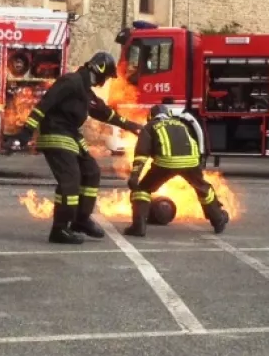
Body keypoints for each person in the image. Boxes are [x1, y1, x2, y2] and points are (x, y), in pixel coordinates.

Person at [12, 51, 143, 244]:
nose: (105, 81)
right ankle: (59, 229)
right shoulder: (71, 82)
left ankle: (80, 220)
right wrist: (26, 132)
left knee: (91, 172)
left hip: (70, 134)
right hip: (55, 133)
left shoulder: (84, 90)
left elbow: (103, 112)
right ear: (99, 71)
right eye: (106, 77)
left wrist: (131, 125)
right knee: (70, 180)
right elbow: (45, 104)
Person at [125, 104, 229, 237]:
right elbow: (193, 142)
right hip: (191, 162)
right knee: (203, 188)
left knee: (142, 190)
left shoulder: (150, 126)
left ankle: (138, 226)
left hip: (166, 163)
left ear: (150, 116)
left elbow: (141, 153)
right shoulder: (180, 124)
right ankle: (218, 219)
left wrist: (135, 175)